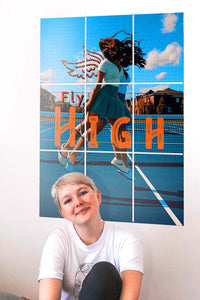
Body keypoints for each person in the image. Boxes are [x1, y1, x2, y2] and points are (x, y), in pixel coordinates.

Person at [38, 172, 143, 300]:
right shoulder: (57, 241)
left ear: (98, 196)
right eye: (68, 201)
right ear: (63, 214)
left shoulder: (127, 240)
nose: (78, 202)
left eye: (83, 193)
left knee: (104, 272)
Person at [59, 34, 133, 174]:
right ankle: (69, 150)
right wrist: (91, 102)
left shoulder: (121, 70)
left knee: (119, 133)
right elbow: (99, 85)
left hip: (116, 102)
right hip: (106, 100)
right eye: (119, 50)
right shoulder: (109, 65)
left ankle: (124, 165)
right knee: (89, 128)